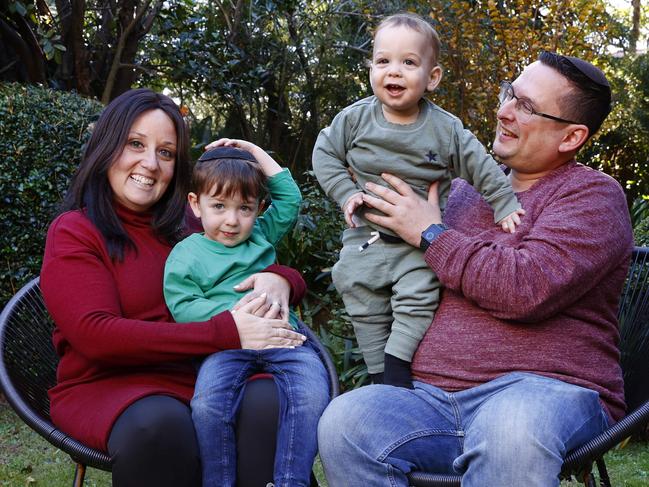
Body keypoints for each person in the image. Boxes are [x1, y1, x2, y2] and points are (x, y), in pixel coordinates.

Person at [317, 51, 634, 487]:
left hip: (546, 392)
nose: (503, 111)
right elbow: (399, 265)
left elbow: (526, 287)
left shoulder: (593, 196)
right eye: (510, 95)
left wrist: (430, 234)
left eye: (525, 106)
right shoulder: (461, 191)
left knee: (511, 428)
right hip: (429, 396)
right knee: (347, 420)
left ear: (571, 137)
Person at [40, 88, 309, 487]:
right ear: (106, 146)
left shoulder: (192, 221)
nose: (149, 164)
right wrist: (227, 332)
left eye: (165, 152)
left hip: (203, 374)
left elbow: (252, 258)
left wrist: (282, 279)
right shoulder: (76, 232)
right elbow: (96, 335)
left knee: (270, 401)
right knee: (161, 424)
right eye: (135, 144)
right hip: (110, 385)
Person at [312, 13, 523, 388]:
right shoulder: (355, 119)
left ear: (433, 77)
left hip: (417, 244)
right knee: (354, 286)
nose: (394, 72)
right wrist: (346, 193)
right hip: (367, 236)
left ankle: (396, 365)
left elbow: (480, 165)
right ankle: (379, 373)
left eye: (409, 63)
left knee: (419, 295)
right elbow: (324, 154)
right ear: (371, 68)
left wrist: (504, 201)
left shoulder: (445, 130)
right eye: (383, 61)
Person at [163, 139, 330, 487]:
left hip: (284, 339)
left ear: (258, 209)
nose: (232, 220)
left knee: (312, 395)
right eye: (219, 206)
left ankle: (290, 481)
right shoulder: (187, 253)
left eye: (245, 208)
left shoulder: (261, 235)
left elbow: (291, 199)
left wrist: (253, 151)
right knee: (209, 406)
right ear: (196, 204)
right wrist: (236, 315)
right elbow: (183, 305)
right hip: (226, 347)